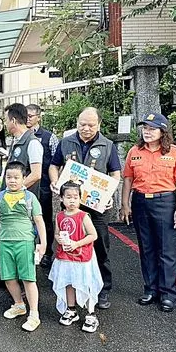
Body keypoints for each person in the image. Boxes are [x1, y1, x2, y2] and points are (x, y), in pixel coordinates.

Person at [49, 107, 121, 309]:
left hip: (97, 208)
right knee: (68, 243)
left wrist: (110, 196)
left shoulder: (107, 145)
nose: (86, 128)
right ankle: (72, 286)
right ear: (77, 122)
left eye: (91, 125)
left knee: (99, 247)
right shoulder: (66, 142)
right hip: (71, 205)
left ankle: (103, 289)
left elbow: (115, 173)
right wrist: (55, 182)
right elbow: (54, 165)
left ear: (99, 124)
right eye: (82, 124)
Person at [121, 113, 176, 313]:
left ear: (163, 131)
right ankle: (151, 289)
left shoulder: (173, 152)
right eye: (145, 128)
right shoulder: (135, 151)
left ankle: (168, 293)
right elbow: (127, 179)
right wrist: (125, 204)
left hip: (165, 202)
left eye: (152, 128)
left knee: (166, 250)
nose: (147, 132)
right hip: (141, 202)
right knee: (146, 248)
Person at [0, 161, 46, 332]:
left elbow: (39, 221)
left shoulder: (30, 198)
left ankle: (34, 314)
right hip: (5, 242)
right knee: (8, 277)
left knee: (28, 278)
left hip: (25, 242)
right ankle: (19, 304)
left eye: (16, 177)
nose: (12, 181)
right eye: (9, 177)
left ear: (23, 179)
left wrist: (42, 244)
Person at [48, 182, 102, 333]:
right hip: (65, 256)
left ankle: (91, 314)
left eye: (75, 197)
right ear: (61, 198)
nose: (72, 200)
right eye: (68, 197)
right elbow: (57, 233)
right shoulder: (59, 216)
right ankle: (71, 309)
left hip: (83, 257)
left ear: (80, 198)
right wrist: (60, 239)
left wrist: (76, 244)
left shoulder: (84, 216)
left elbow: (93, 235)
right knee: (68, 282)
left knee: (87, 283)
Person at [26, 104, 59, 269]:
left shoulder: (49, 137)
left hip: (44, 185)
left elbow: (56, 161)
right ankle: (29, 251)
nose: (28, 119)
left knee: (45, 220)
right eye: (25, 116)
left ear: (38, 117)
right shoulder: (22, 136)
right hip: (26, 185)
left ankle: (47, 253)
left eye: (31, 116)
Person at [2, 103, 43, 195]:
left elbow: (36, 174)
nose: (5, 124)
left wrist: (14, 191)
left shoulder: (33, 143)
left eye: (6, 120)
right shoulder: (15, 140)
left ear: (13, 120)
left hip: (23, 202)